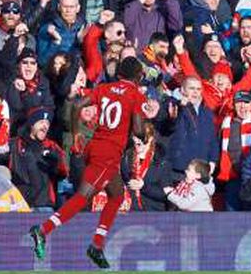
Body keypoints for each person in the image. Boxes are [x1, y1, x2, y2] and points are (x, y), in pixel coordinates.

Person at [29, 57, 158, 269]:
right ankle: (43, 230)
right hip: (107, 154)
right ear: (138, 76)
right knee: (82, 196)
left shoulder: (104, 87)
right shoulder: (135, 94)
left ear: (119, 74)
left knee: (116, 195)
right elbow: (136, 129)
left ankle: (97, 246)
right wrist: (144, 123)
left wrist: (77, 133)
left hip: (96, 147)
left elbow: (78, 104)